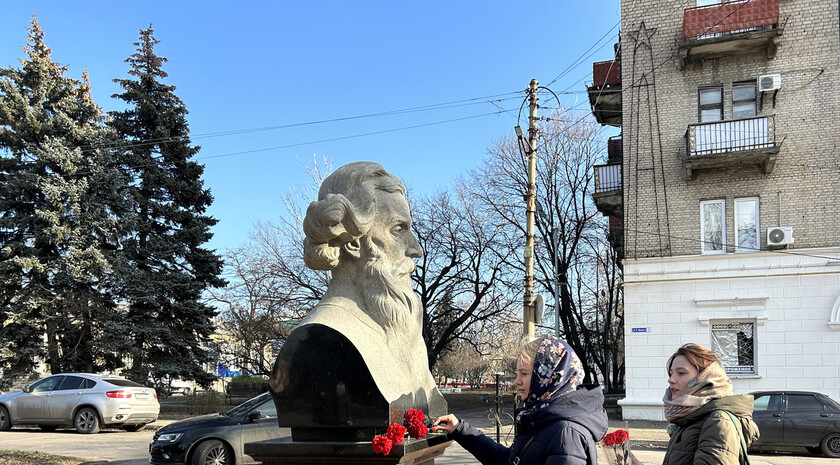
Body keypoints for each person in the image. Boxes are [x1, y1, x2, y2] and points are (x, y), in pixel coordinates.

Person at [268, 162, 445, 436]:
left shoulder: (400, 330)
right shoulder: (319, 342)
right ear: (353, 242)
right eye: (398, 230)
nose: (415, 249)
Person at [433, 335, 608, 465]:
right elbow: (509, 461)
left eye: (524, 373)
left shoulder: (566, 433)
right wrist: (460, 429)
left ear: (550, 376)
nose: (517, 381)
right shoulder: (543, 416)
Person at [653, 343, 760, 465]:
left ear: (705, 378)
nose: (671, 379)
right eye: (671, 373)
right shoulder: (690, 417)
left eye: (681, 373)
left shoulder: (718, 421)